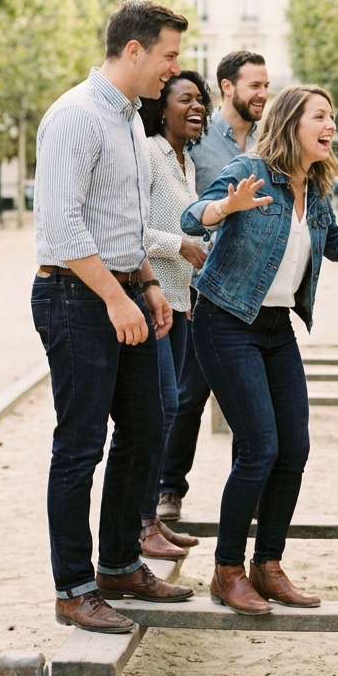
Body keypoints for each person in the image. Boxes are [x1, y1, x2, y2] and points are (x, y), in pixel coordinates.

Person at [181, 84, 338, 616]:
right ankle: (227, 570)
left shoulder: (315, 188)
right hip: (226, 320)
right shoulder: (250, 169)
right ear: (291, 122)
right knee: (259, 447)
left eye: (333, 116)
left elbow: (336, 246)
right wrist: (223, 208)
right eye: (321, 116)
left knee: (294, 448)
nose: (330, 126)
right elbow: (191, 217)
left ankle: (268, 565)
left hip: (277, 328)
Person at [32, 0, 194, 634]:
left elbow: (124, 219)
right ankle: (74, 587)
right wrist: (114, 295)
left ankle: (120, 563)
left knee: (148, 426)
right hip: (76, 297)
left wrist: (147, 283)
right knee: (79, 446)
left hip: (123, 291)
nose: (174, 70)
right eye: (169, 56)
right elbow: (62, 225)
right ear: (134, 51)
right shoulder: (73, 116)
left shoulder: (130, 120)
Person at [157, 51, 270, 522]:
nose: (263, 94)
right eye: (254, 86)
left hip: (258, 288)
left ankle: (249, 493)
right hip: (204, 286)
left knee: (253, 401)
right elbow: (183, 207)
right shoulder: (199, 143)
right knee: (189, 397)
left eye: (267, 85)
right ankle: (169, 489)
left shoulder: (270, 141)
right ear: (228, 88)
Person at [137, 70, 212, 560]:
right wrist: (180, 245)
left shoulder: (186, 162)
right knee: (155, 412)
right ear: (161, 108)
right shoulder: (147, 154)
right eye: (185, 99)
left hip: (182, 302)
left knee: (170, 410)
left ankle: (150, 522)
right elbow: (131, 228)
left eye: (200, 99)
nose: (197, 106)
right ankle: (142, 524)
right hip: (152, 300)